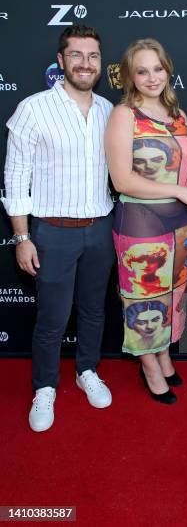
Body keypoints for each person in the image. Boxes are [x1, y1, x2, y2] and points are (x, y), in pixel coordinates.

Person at [2, 24, 115, 432]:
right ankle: (45, 388)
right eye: (77, 55)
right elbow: (15, 178)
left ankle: (87, 370)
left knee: (93, 311)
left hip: (100, 228)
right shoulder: (33, 109)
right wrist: (22, 237)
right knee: (52, 318)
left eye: (92, 56)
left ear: (101, 63)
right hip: (51, 232)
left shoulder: (109, 111)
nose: (85, 63)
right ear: (61, 61)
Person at [105, 38, 187, 404]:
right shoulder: (124, 115)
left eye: (158, 68)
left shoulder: (178, 113)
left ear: (168, 69)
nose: (152, 77)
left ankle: (163, 354)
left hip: (182, 225)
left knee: (174, 293)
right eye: (142, 70)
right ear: (130, 76)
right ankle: (149, 365)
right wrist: (179, 191)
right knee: (143, 300)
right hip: (141, 223)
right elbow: (122, 180)